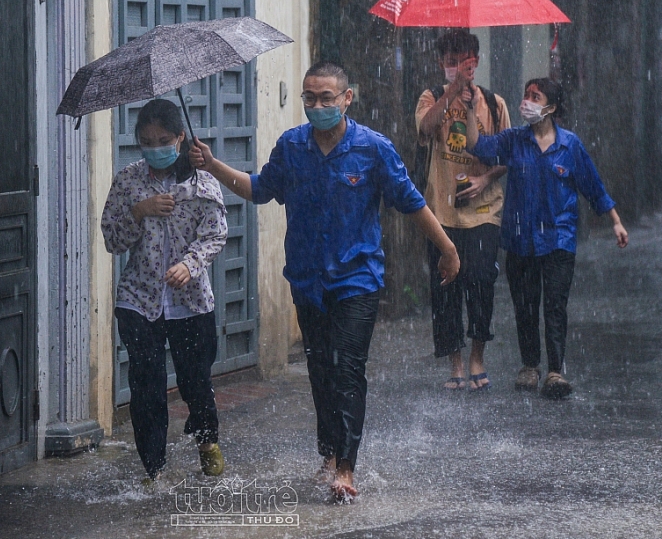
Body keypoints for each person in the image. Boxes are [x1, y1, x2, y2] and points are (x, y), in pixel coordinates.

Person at [189, 62, 460, 501]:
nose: (317, 106)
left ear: (347, 98)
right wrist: (213, 164)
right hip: (307, 279)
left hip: (358, 279)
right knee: (320, 371)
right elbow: (259, 189)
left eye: (326, 98)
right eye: (309, 99)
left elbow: (411, 202)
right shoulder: (292, 146)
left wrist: (447, 248)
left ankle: (347, 469)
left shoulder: (373, 149)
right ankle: (329, 454)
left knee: (348, 369)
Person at [464, 77, 628, 399]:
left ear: (550, 107)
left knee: (554, 305)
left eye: (535, 96)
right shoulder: (514, 140)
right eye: (525, 95)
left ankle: (555, 370)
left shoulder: (570, 146)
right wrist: (470, 109)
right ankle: (529, 366)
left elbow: (593, 187)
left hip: (559, 239)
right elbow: (477, 146)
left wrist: (616, 222)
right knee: (525, 305)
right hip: (520, 238)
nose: (527, 101)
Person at [101, 98, 228, 482]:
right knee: (147, 388)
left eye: (163, 140)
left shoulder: (202, 182)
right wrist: (139, 211)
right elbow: (112, 239)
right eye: (146, 141)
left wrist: (189, 265)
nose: (155, 148)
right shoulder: (128, 180)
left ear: (179, 139)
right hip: (138, 300)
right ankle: (153, 468)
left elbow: (217, 232)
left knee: (195, 381)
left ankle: (207, 439)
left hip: (191, 303)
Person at [415, 30, 511, 392]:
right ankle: (454, 361)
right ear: (443, 63)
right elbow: (425, 129)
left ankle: (477, 356)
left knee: (482, 281)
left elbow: (505, 154)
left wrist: (486, 179)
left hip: (485, 210)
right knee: (445, 288)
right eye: (452, 62)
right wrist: (452, 92)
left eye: (465, 61)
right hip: (441, 211)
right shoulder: (431, 96)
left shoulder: (493, 102)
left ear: (476, 61)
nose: (459, 68)